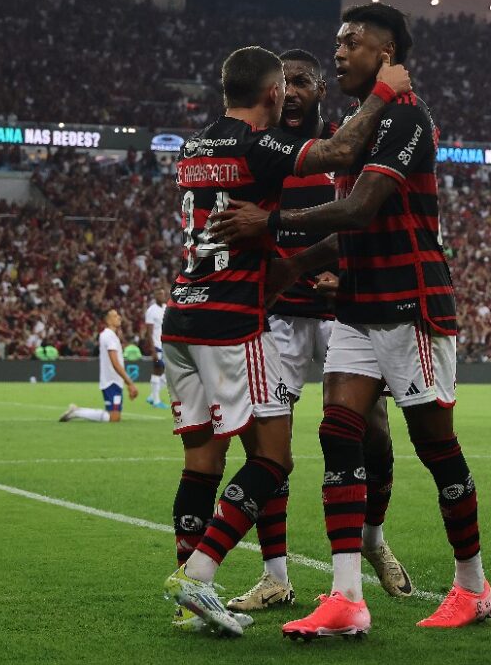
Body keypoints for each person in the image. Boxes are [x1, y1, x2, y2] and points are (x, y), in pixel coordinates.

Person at [210, 3, 491, 637]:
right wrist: (293, 264)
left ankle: (472, 586)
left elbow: (363, 209)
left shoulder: (407, 117)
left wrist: (272, 225)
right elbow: (345, 227)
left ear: (387, 55)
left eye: (353, 43)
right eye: (337, 41)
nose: (339, 51)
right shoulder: (355, 125)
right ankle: (345, 598)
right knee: (338, 432)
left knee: (435, 448)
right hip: (359, 308)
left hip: (410, 303)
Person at [162, 44, 411, 637]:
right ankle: (219, 575)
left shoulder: (198, 145)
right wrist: (385, 91)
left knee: (207, 462)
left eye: (307, 81)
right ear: (274, 92)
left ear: (320, 89)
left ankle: (194, 590)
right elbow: (340, 162)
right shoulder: (276, 147)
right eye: (286, 82)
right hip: (245, 316)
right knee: (272, 458)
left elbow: (352, 196)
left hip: (188, 314)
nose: (293, 92)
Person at [59, 310, 138, 423]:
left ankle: (76, 411)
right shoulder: (108, 336)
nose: (119, 317)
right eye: (115, 316)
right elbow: (115, 363)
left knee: (114, 417)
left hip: (113, 381)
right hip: (111, 381)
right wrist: (130, 383)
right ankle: (76, 412)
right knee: (114, 418)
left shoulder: (110, 336)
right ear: (107, 320)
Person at [144, 288, 169, 409]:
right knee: (157, 369)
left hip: (166, 345)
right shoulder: (151, 311)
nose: (162, 296)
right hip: (157, 346)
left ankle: (152, 396)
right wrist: (152, 349)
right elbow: (149, 332)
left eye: (163, 294)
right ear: (155, 296)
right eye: (159, 293)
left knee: (169, 373)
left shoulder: (166, 307)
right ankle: (156, 401)